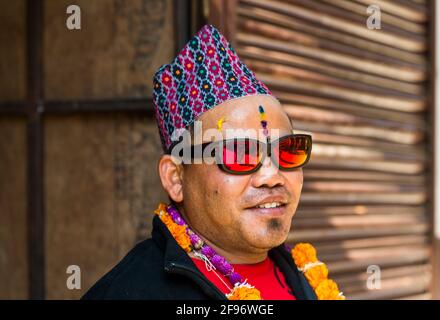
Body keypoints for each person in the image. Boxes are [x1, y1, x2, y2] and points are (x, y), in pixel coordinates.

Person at [82, 24, 343, 300]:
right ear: (176, 177)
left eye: (287, 150)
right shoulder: (131, 293)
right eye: (239, 154)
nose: (272, 175)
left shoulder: (302, 273)